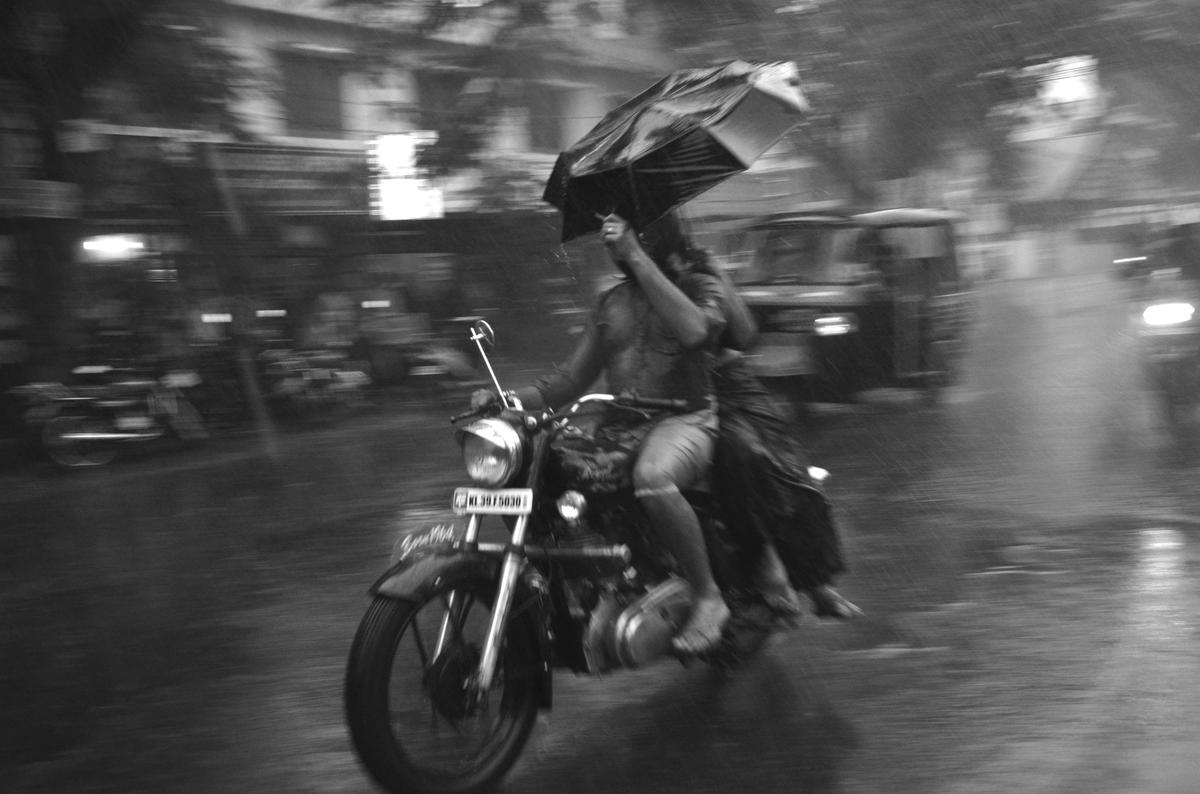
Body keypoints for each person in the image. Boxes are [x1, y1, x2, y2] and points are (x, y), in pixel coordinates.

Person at [471, 211, 732, 655]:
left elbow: (695, 333)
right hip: (620, 424)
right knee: (538, 463)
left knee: (653, 476)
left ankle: (709, 596)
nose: (614, 242)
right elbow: (569, 381)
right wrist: (508, 402)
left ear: (656, 237)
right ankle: (574, 582)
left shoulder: (699, 287)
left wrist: (636, 253)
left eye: (629, 233)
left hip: (684, 419)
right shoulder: (611, 303)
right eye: (614, 237)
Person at [709, 261, 862, 620]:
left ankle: (812, 582)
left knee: (769, 466)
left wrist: (719, 280)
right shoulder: (623, 295)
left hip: (730, 389)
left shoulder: (702, 275)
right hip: (668, 398)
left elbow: (745, 334)